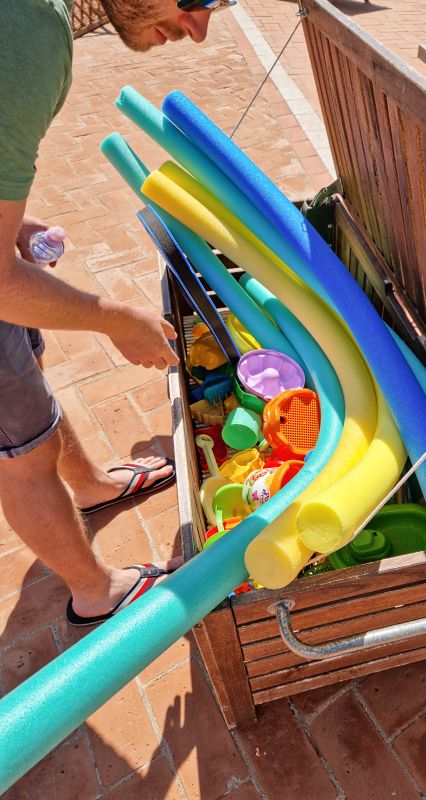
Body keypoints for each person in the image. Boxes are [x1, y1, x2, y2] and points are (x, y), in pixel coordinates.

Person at [0, 0, 216, 626]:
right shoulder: (30, 28)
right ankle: (96, 590)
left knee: (27, 392)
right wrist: (119, 319)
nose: (199, 30)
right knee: (20, 456)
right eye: (199, 0)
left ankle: (91, 485)